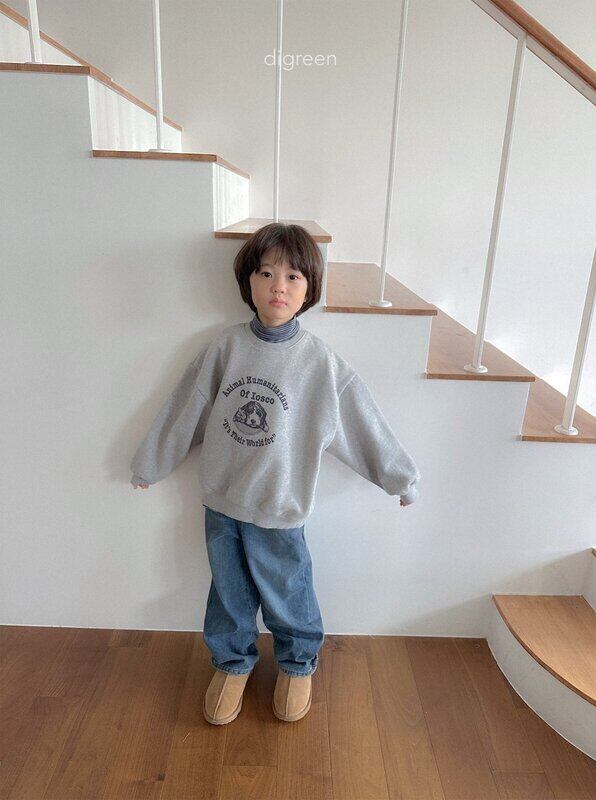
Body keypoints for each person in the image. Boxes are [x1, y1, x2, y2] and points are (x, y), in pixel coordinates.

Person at [130, 222, 421, 725]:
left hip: (281, 506)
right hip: (223, 501)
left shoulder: (319, 363)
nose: (278, 287)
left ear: (309, 288)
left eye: (292, 276)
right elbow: (186, 408)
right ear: (248, 281)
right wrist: (152, 462)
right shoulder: (225, 348)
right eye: (265, 273)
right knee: (229, 593)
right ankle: (232, 663)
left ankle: (297, 663)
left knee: (289, 591)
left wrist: (399, 477)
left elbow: (360, 422)